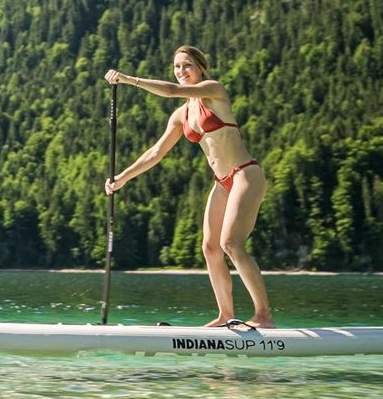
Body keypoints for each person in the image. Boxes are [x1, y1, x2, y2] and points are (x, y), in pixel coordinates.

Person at [104, 46, 275, 328]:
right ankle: (225, 316)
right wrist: (122, 177)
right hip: (222, 182)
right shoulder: (181, 116)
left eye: (187, 66)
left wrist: (128, 80)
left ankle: (263, 316)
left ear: (201, 68)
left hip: (245, 174)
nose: (181, 72)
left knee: (231, 243)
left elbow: (171, 90)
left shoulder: (214, 90)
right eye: (177, 67)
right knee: (210, 248)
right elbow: (155, 153)